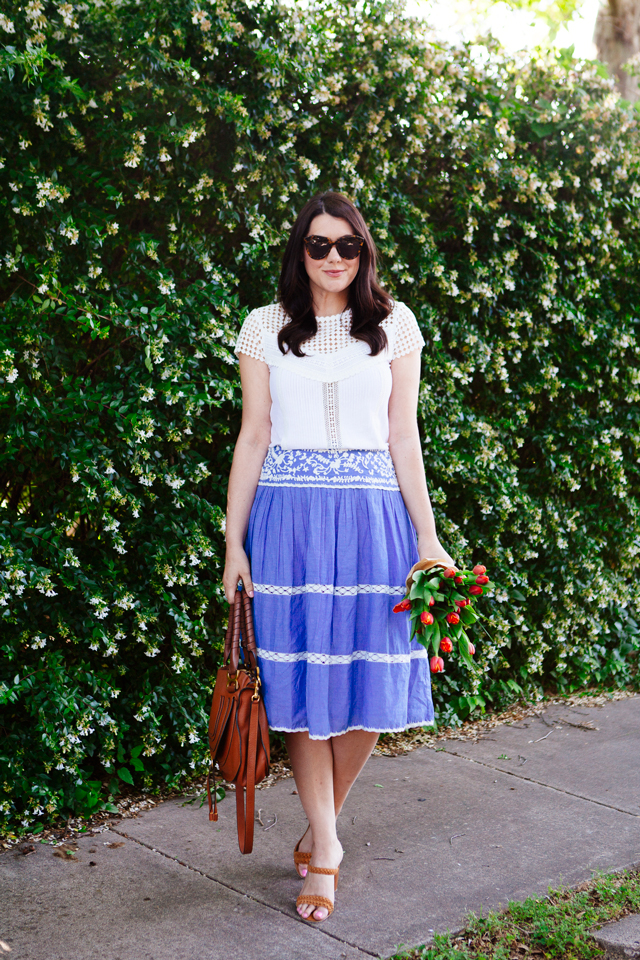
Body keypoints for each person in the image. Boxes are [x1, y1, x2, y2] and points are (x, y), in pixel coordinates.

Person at [223, 191, 454, 923]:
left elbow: (404, 438)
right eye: (318, 245)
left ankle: (323, 825)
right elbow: (253, 435)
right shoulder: (264, 328)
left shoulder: (395, 325)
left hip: (374, 518)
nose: (331, 258)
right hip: (287, 520)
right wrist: (233, 541)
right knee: (298, 682)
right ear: (301, 252)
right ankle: (326, 849)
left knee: (372, 679)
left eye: (346, 246)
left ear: (364, 253)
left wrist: (429, 537)